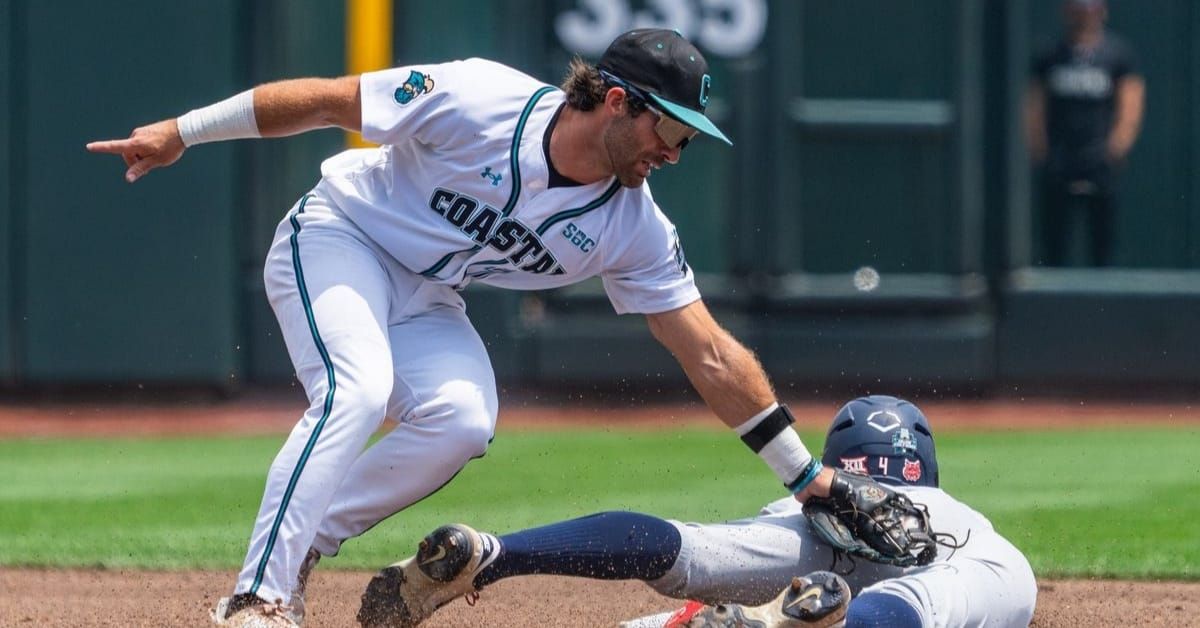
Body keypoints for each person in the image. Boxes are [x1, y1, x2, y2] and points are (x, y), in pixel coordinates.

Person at [87, 29, 886, 627]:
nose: (673, 154)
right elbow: (331, 98)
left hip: (429, 295)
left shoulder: (632, 226)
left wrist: (803, 475)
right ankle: (256, 599)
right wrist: (181, 132)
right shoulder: (478, 97)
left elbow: (707, 350)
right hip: (339, 238)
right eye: (668, 130)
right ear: (616, 102)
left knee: (464, 421)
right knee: (356, 392)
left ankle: (299, 549)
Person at [373, 395, 1037, 628]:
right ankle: (793, 624)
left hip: (812, 531)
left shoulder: (806, 499)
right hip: (953, 557)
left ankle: (498, 554)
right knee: (938, 604)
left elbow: (685, 564)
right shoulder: (970, 524)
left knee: (693, 549)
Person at [1025, 0, 1144, 267]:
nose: (1084, 17)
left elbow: (1131, 102)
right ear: (1066, 12)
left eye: (1090, 10)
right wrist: (1040, 147)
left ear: (1102, 12)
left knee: (1103, 245)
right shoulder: (1050, 55)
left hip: (1099, 160)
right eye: (1077, 10)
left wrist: (1117, 147)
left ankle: (1105, 305)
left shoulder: (1118, 54)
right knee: (1054, 245)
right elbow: (1035, 104)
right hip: (1060, 159)